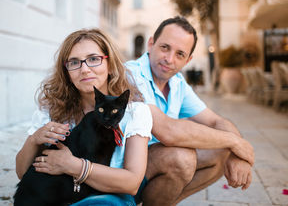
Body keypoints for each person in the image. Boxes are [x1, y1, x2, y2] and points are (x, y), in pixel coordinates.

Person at [125, 16, 254, 205]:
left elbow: (215, 121)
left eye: (180, 54)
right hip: (125, 168)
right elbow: (167, 131)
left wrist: (236, 153)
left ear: (188, 60)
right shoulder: (132, 74)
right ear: (151, 44)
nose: (169, 59)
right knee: (181, 158)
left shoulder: (177, 83)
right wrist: (235, 142)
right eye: (165, 47)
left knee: (220, 152)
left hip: (151, 163)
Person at [15, 28, 153, 205]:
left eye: (94, 59)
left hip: (106, 198)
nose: (85, 70)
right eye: (74, 62)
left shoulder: (134, 112)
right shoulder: (52, 109)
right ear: (66, 71)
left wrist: (72, 165)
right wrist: (34, 140)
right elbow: (21, 172)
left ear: (109, 64)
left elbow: (132, 183)